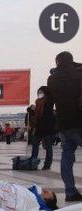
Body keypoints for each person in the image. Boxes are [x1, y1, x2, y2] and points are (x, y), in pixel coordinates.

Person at [47, 51, 82, 202]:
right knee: (67, 157)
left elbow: (50, 101)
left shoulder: (52, 79)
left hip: (63, 124)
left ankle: (70, 191)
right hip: (79, 121)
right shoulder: (78, 75)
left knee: (66, 158)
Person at [30, 86, 56, 170]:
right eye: (38, 92)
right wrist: (32, 111)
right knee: (35, 144)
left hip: (48, 126)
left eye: (41, 92)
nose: (39, 94)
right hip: (39, 126)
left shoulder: (49, 101)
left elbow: (47, 113)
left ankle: (47, 164)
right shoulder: (38, 102)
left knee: (48, 146)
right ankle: (33, 162)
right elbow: (36, 114)